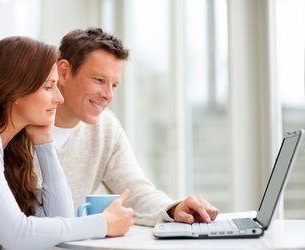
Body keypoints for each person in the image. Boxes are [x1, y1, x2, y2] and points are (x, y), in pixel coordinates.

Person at [0, 36, 134, 250]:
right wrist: (102, 223)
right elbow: (17, 235)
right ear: (15, 90)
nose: (59, 98)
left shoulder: (7, 147)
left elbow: (59, 219)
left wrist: (45, 144)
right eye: (48, 87)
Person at [53, 27, 219, 227]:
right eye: (99, 80)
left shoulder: (106, 126)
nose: (108, 95)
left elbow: (135, 192)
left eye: (114, 85)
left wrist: (174, 208)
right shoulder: (20, 124)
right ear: (63, 72)